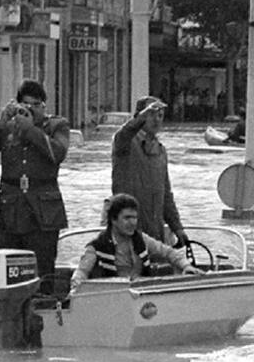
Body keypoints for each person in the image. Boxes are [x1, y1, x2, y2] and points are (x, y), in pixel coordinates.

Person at [0, 80, 70, 298]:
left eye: (36, 104)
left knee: (43, 268)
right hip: (10, 210)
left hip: (42, 213)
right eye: (25, 104)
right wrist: (0, 123)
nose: (30, 109)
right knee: (3, 266)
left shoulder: (56, 126)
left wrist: (31, 131)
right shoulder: (8, 127)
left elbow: (57, 153)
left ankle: (43, 310)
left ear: (44, 106)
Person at [70, 193, 200, 291]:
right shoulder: (97, 246)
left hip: (142, 295)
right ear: (113, 220)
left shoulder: (142, 239)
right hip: (111, 297)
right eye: (127, 218)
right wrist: (75, 289)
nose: (133, 223)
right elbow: (81, 272)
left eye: (135, 218)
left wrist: (186, 266)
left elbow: (169, 252)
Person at [111, 96, 187, 246]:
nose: (157, 120)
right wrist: (140, 118)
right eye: (152, 115)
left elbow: (166, 195)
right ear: (140, 117)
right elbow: (123, 134)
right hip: (128, 231)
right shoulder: (125, 144)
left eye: (160, 115)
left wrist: (177, 228)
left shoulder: (161, 150)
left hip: (155, 231)